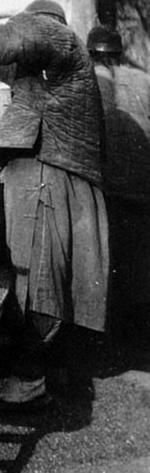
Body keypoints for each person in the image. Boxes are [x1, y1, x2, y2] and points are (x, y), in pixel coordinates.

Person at [0, 0, 109, 409]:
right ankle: (47, 369)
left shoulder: (61, 41)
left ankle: (28, 379)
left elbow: (22, 33)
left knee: (38, 280)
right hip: (50, 174)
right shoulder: (55, 74)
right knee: (46, 275)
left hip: (47, 174)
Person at [87, 25, 150, 344]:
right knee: (140, 258)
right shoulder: (144, 80)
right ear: (120, 54)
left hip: (104, 187)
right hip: (142, 186)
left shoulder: (87, 82)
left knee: (107, 257)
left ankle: (109, 331)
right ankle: (138, 328)